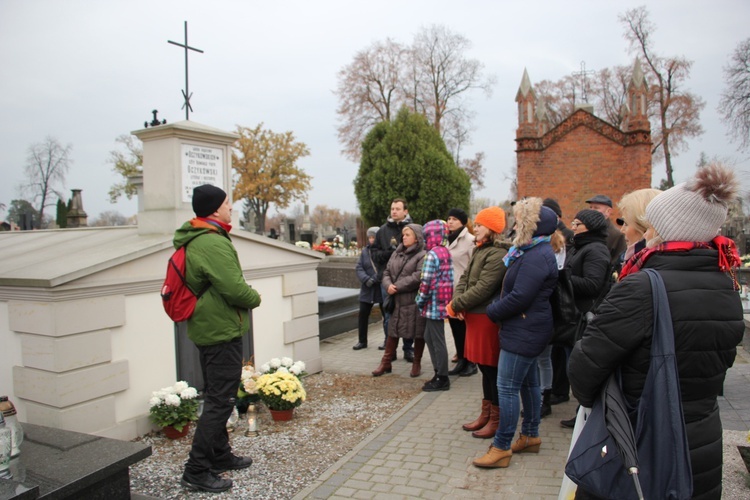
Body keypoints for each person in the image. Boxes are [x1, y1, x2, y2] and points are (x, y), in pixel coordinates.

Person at [569, 163, 744, 499]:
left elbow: (584, 367)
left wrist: (607, 403)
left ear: (664, 228)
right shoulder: (726, 285)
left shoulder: (642, 288)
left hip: (641, 441)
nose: (643, 232)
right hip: (700, 443)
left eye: (652, 224)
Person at [176, 184, 262, 493]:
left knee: (217, 394)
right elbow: (235, 289)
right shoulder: (211, 242)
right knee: (220, 400)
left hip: (212, 328)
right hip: (220, 331)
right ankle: (196, 470)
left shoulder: (201, 237)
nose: (230, 208)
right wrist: (255, 297)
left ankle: (219, 454)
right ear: (214, 209)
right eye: (227, 203)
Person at [472, 198, 558, 469]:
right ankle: (530, 435)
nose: (516, 224)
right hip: (528, 327)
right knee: (529, 384)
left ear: (534, 226)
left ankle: (501, 446)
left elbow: (520, 296)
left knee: (507, 388)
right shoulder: (534, 251)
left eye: (521, 221)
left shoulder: (535, 255)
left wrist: (493, 310)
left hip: (524, 329)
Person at [448, 206, 510, 439]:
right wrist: (458, 301)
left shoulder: (497, 254)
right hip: (474, 315)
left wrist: (458, 304)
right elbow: (465, 278)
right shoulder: (480, 249)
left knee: (491, 369)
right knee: (484, 369)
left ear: (492, 228)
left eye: (481, 225)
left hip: (485, 317)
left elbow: (485, 287)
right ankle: (486, 414)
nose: (476, 229)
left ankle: (496, 419)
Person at [556, 209, 612, 427]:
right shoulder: (581, 247)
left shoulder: (596, 250)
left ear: (590, 227)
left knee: (578, 368)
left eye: (578, 223)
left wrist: (563, 276)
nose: (574, 226)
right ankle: (582, 413)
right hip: (572, 316)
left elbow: (592, 285)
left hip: (583, 318)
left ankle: (586, 415)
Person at [372, 224, 426, 377]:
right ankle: (386, 362)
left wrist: (397, 286)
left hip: (413, 301)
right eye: (403, 234)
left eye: (408, 235)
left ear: (417, 237)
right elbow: (387, 271)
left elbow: (418, 276)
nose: (404, 237)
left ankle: (417, 363)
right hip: (396, 300)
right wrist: (388, 285)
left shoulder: (422, 255)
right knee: (393, 331)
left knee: (418, 332)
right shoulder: (397, 252)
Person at [370, 198, 415, 360]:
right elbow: (374, 254)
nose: (394, 211)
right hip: (387, 280)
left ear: (405, 211)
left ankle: (408, 348)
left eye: (397, 208)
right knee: (389, 314)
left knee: (408, 314)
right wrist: (389, 253)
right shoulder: (382, 231)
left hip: (408, 280)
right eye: (392, 208)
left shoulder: (413, 229)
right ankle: (391, 348)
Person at [415, 220, 454, 391]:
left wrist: (419, 300)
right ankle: (439, 372)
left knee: (436, 341)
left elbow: (426, 282)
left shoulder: (431, 255)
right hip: (442, 301)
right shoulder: (445, 251)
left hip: (433, 304)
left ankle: (442, 377)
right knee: (429, 337)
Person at [445, 208, 477, 377]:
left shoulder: (470, 240)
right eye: (449, 218)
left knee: (465, 328)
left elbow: (475, 267)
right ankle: (462, 359)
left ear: (463, 222)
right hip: (449, 290)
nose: (450, 222)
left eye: (454, 219)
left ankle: (471, 362)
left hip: (464, 291)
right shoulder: (447, 240)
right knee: (455, 327)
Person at [352, 226, 383, 350]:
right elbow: (359, 267)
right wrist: (366, 279)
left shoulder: (383, 251)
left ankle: (387, 341)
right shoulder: (365, 252)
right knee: (363, 315)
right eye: (369, 237)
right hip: (367, 288)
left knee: (386, 315)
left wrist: (375, 279)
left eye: (373, 237)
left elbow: (384, 268)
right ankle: (362, 341)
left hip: (380, 287)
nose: (371, 240)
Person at [616, 188, 662, 264]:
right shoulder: (626, 259)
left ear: (645, 226)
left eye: (626, 224)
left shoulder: (647, 266)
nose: (622, 230)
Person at [585, 194, 627, 268]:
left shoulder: (616, 235)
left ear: (608, 211)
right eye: (590, 207)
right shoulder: (586, 231)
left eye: (596, 208)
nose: (591, 211)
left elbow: (617, 262)